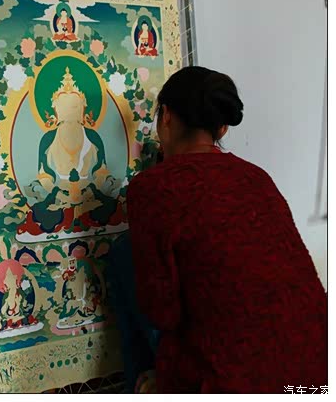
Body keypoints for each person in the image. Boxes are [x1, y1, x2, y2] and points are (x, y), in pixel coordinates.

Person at [121, 66, 326, 392]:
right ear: (222, 127)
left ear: (166, 117)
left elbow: (161, 310)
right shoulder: (256, 177)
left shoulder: (153, 187)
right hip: (318, 365)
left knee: (121, 251)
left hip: (233, 380)